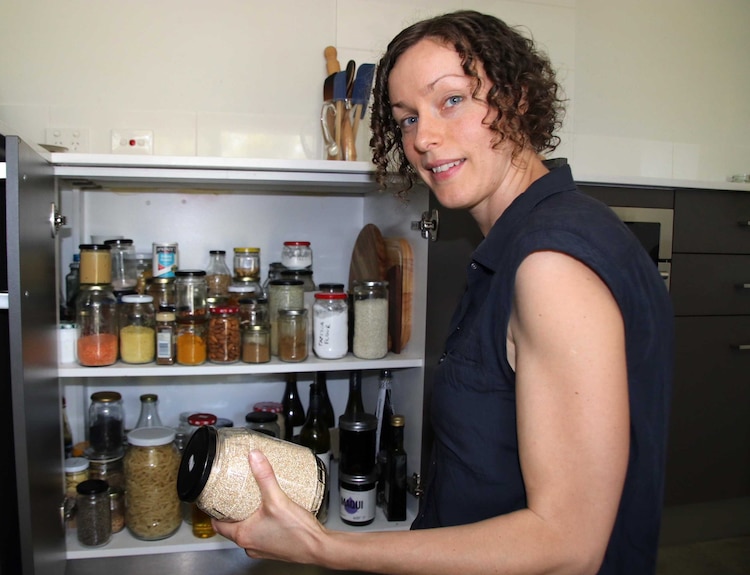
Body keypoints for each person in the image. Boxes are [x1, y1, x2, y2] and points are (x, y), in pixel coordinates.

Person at [214, 9, 673, 575]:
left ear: (519, 98)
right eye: (406, 118)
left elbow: (568, 545)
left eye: (451, 99)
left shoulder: (549, 264)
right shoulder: (535, 238)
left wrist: (324, 547)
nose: (424, 138)